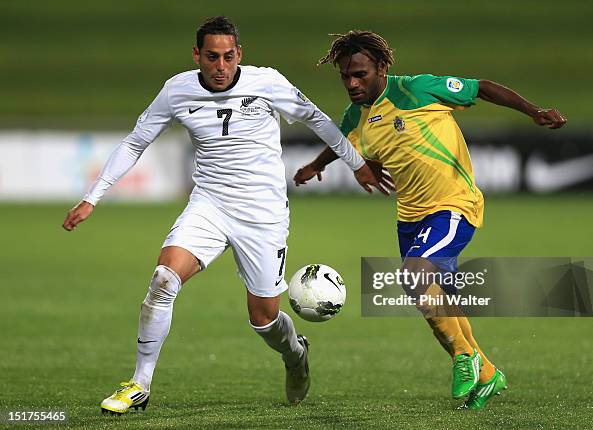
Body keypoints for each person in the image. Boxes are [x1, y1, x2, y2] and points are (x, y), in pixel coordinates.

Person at [62, 18, 386, 414]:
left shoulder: (266, 83)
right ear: (197, 55)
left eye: (228, 57)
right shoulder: (177, 90)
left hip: (263, 214)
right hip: (210, 204)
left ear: (239, 55)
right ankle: (140, 383)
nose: (220, 66)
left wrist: (355, 163)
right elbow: (135, 142)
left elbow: (317, 119)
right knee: (164, 278)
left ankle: (295, 354)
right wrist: (92, 197)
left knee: (264, 319)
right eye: (212, 57)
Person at [293, 30, 567, 410]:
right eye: (345, 76)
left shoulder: (417, 90)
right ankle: (486, 373)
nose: (352, 83)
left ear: (381, 68)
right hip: (410, 218)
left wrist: (533, 111)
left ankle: (463, 359)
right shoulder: (356, 116)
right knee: (438, 306)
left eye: (360, 74)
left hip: (453, 205)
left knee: (413, 275)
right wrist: (314, 166)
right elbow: (341, 143)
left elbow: (481, 87)